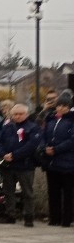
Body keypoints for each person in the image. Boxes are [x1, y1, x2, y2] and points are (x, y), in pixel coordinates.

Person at [0, 103, 41, 226]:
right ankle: (10, 214)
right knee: (8, 191)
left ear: (26, 114)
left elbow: (31, 146)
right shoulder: (7, 127)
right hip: (8, 165)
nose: (18, 116)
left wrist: (14, 155)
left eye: (21, 114)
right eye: (15, 114)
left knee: (27, 192)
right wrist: (3, 154)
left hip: (25, 165)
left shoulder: (33, 127)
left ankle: (28, 216)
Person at [40, 90, 74, 228]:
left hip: (67, 162)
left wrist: (56, 149)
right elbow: (43, 135)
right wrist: (45, 147)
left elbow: (72, 140)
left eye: (64, 106)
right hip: (52, 162)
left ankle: (67, 219)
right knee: (53, 191)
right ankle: (54, 217)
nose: (60, 108)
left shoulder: (71, 120)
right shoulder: (51, 119)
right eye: (59, 105)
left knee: (68, 193)